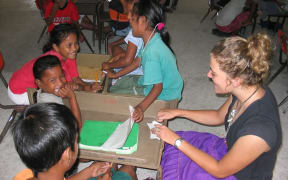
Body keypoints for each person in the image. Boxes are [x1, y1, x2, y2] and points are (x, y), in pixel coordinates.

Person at [154, 32, 282, 179]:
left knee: (177, 145)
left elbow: (219, 170)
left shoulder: (260, 130)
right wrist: (178, 112)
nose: (208, 75)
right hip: (230, 151)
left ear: (235, 81)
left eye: (213, 73)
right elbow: (218, 116)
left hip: (236, 174)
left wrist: (176, 141)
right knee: (173, 147)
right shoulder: (246, 89)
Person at [104, 0, 183, 122]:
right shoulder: (151, 38)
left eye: (132, 20)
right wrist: (115, 75)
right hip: (159, 86)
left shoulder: (152, 52)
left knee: (115, 96)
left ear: (143, 21)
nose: (130, 22)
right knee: (119, 85)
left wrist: (140, 108)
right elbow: (137, 61)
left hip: (166, 95)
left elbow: (157, 88)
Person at [12, 103, 137, 180]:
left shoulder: (25, 176)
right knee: (128, 171)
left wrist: (88, 172)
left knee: (109, 163)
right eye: (77, 140)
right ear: (67, 154)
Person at [8, 24, 101, 105]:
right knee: (62, 99)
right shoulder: (56, 63)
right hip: (20, 92)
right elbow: (69, 86)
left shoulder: (68, 54)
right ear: (56, 47)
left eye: (76, 43)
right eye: (69, 45)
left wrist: (89, 85)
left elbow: (75, 78)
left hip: (19, 82)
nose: (75, 48)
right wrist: (88, 88)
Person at [102, 0, 144, 92]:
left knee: (112, 90)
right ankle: (117, 73)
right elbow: (130, 39)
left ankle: (119, 77)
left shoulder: (135, 32)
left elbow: (128, 61)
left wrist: (109, 66)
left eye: (130, 14)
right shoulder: (147, 29)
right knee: (116, 49)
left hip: (134, 72)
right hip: (137, 63)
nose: (128, 16)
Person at [33, 55, 82, 128]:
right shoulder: (51, 106)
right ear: (39, 83)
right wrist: (72, 97)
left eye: (62, 76)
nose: (60, 83)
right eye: (52, 80)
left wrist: (77, 86)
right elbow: (77, 127)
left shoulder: (45, 89)